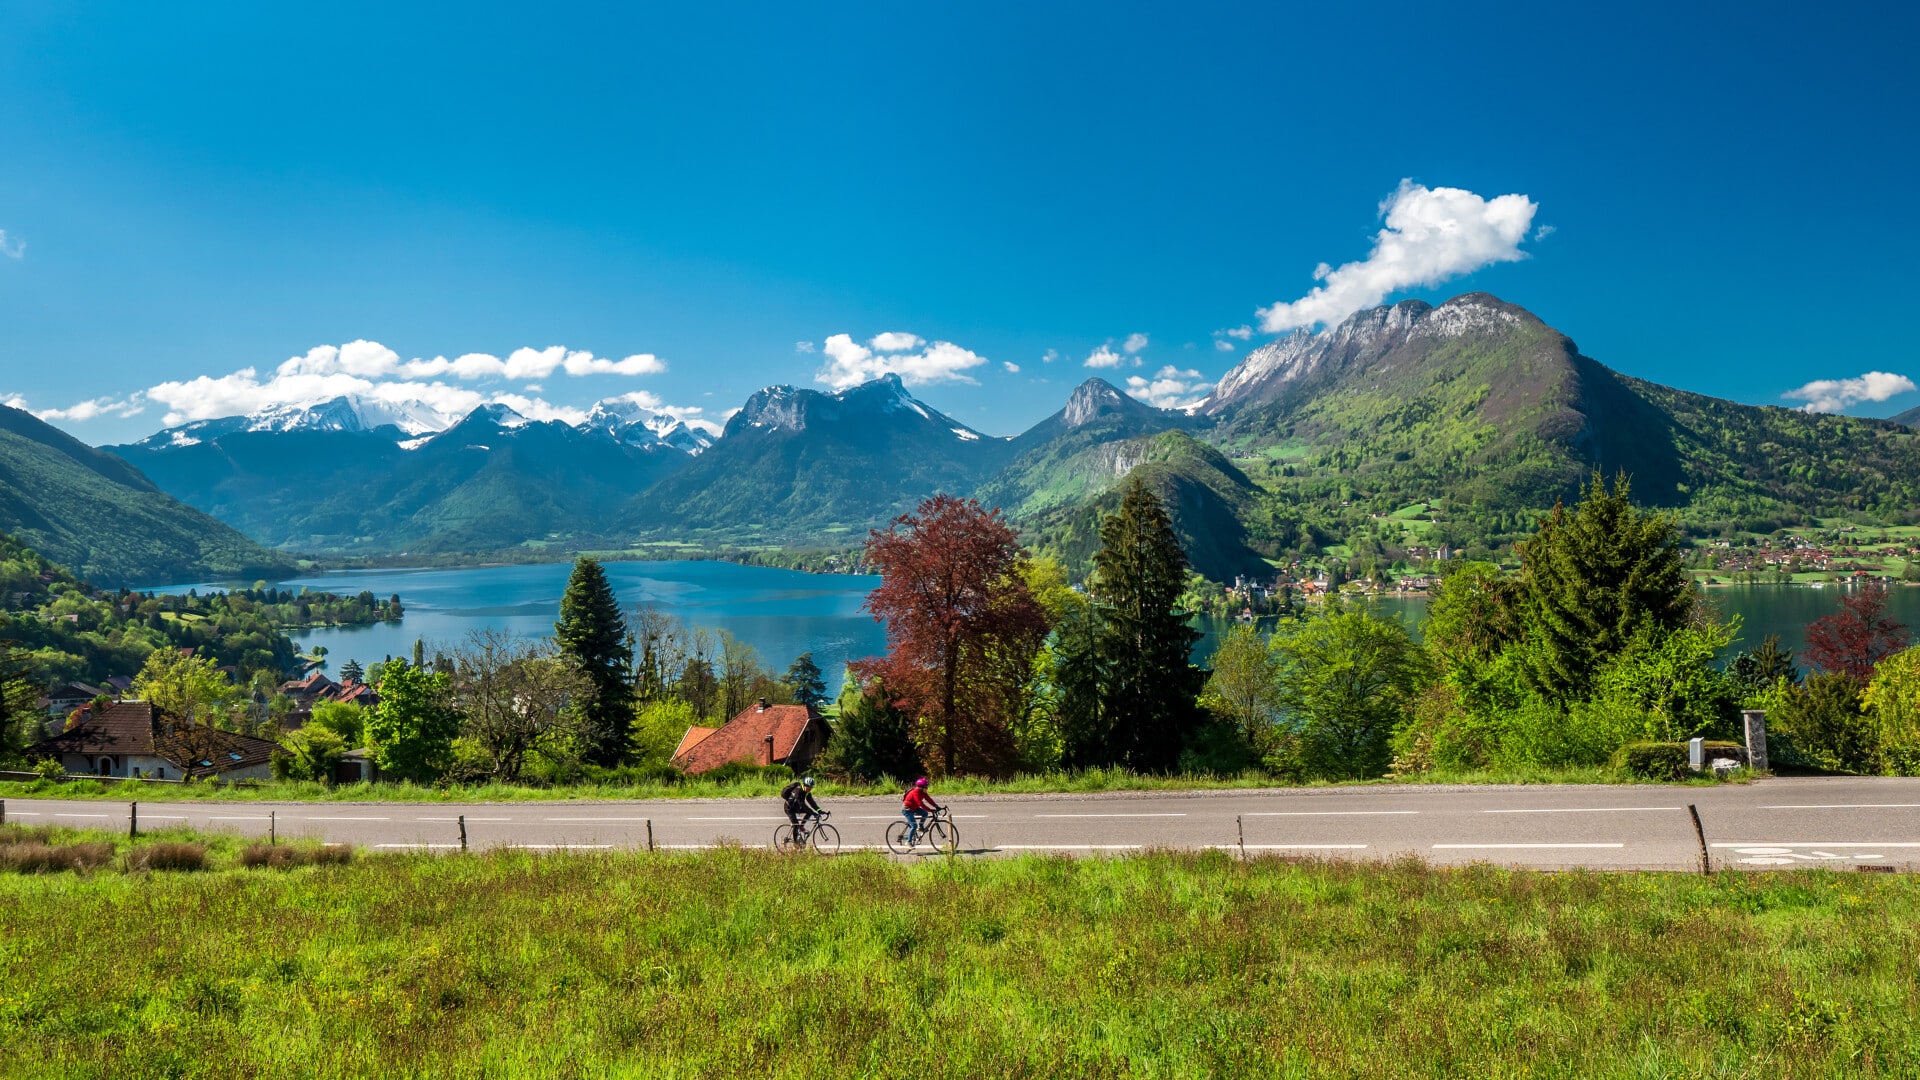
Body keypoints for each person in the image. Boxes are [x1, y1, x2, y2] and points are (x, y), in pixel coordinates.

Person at [901, 776, 941, 842]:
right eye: (926, 786)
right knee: (914, 826)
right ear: (921, 787)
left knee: (925, 813)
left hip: (914, 808)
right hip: (907, 810)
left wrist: (936, 806)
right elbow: (920, 803)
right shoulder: (915, 792)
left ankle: (921, 826)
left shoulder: (923, 792)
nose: (927, 788)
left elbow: (929, 799)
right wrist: (930, 810)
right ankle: (908, 842)